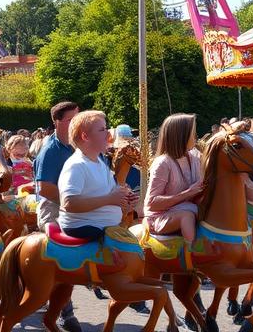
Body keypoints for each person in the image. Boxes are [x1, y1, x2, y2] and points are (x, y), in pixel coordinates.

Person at [33, 100, 80, 332]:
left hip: (77, 206)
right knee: (63, 249)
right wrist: (76, 203)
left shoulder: (80, 146)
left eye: (77, 119)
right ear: (57, 122)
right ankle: (64, 308)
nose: (76, 124)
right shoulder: (50, 150)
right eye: (71, 120)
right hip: (52, 206)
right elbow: (45, 188)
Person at [58, 110, 134, 240]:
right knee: (124, 252)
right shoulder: (76, 165)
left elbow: (109, 194)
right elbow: (69, 203)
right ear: (85, 137)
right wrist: (110, 199)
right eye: (102, 130)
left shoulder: (99, 162)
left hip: (102, 225)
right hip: (84, 226)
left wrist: (124, 198)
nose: (108, 134)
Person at [144, 113, 203, 246]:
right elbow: (152, 203)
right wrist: (188, 193)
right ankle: (192, 255)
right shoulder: (163, 163)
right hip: (160, 217)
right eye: (192, 132)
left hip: (190, 208)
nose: (195, 136)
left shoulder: (195, 157)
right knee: (186, 216)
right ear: (181, 136)